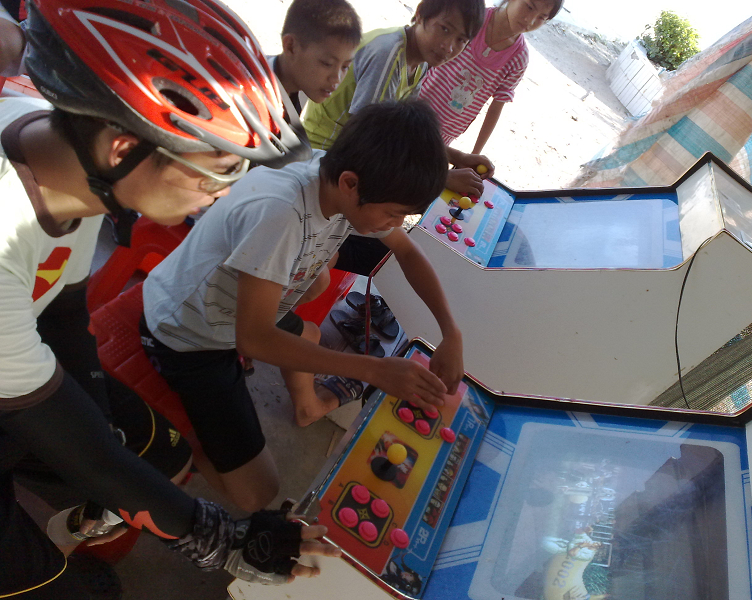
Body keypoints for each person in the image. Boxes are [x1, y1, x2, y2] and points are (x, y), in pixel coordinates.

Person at [0, 1, 339, 597]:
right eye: (216, 172)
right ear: (123, 149)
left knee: (156, 455)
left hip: (16, 374)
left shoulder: (60, 152)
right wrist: (223, 539)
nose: (221, 196)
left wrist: (103, 425)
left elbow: (65, 313)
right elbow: (75, 441)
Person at [140, 100, 464, 514]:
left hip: (237, 314)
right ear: (350, 184)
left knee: (312, 324)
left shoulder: (340, 178)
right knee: (258, 493)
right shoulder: (282, 214)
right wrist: (373, 370)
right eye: (393, 214)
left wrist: (450, 332)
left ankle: (304, 403)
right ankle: (169, 448)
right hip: (189, 334)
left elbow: (407, 253)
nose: (394, 225)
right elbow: (254, 338)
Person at [301, 0, 493, 199]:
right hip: (321, 160)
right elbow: (369, 144)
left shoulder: (418, 61)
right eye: (444, 29)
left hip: (346, 158)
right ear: (420, 14)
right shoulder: (388, 56)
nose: (449, 47)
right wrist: (440, 178)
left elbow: (401, 131)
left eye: (461, 39)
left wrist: (456, 156)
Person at [420, 0, 563, 154]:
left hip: (446, 131)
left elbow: (496, 107)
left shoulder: (518, 58)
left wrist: (475, 154)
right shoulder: (474, 21)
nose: (530, 20)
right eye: (529, 7)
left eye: (541, 17)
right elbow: (430, 51)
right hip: (416, 105)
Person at [268, 0, 362, 118]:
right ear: (291, 46)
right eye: (327, 63)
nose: (336, 79)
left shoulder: (290, 96)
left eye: (345, 67)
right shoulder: (252, 102)